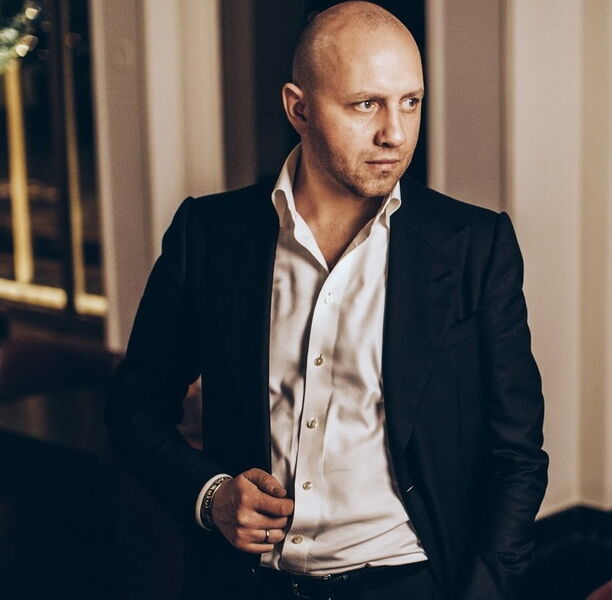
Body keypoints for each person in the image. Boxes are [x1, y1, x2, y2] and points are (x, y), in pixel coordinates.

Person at [106, 2, 547, 599]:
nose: (395, 133)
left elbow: (517, 455)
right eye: (366, 104)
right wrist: (210, 497)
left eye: (410, 102)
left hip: (409, 583)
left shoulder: (474, 246)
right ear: (299, 108)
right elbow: (134, 408)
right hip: (245, 585)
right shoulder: (208, 236)